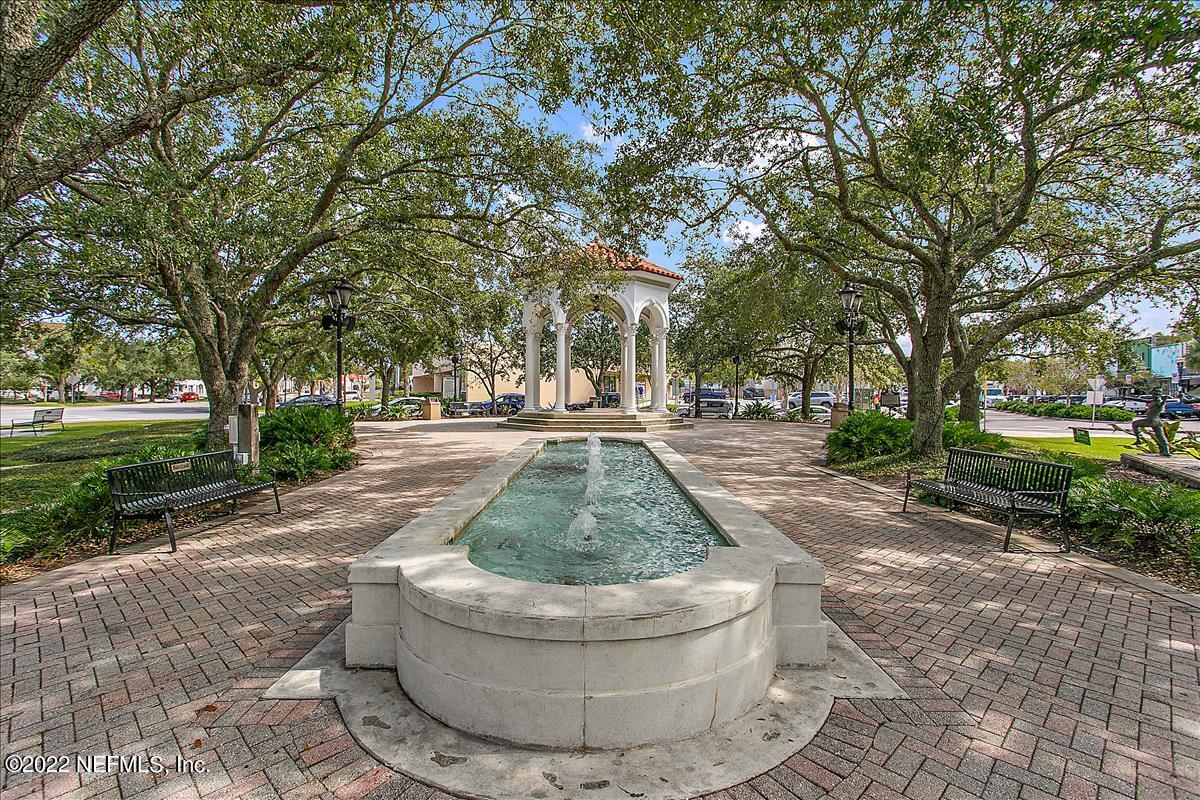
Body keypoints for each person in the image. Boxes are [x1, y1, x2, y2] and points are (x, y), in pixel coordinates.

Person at [1131, 388, 1171, 456]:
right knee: (1160, 436)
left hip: (1151, 421)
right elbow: (1141, 400)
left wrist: (1164, 400)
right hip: (1157, 421)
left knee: (1134, 424)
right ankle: (1166, 451)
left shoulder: (1158, 401)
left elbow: (1161, 405)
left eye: (1158, 393)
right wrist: (1128, 397)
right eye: (1155, 392)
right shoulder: (1153, 401)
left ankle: (1139, 439)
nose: (1155, 394)